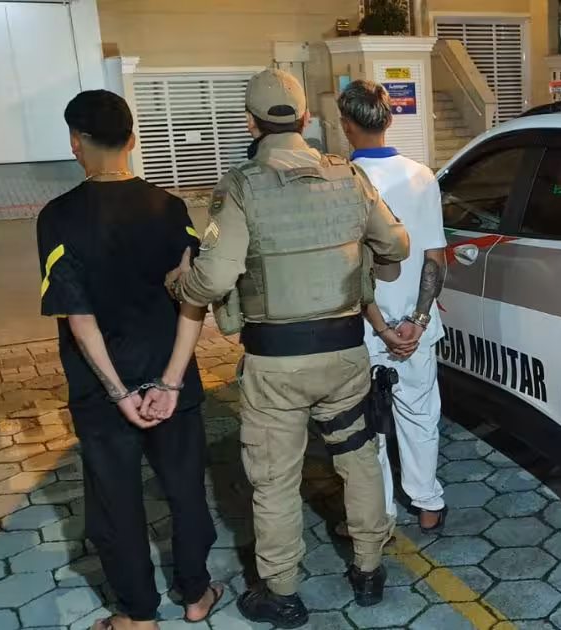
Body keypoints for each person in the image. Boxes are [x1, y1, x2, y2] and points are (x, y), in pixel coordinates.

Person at [165, 68, 410, 628]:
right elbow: (395, 244)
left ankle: (282, 593)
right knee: (358, 459)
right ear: (305, 117)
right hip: (345, 353)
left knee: (275, 478)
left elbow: (214, 278)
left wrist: (179, 285)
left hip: (276, 363)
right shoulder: (348, 175)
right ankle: (369, 571)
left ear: (250, 123)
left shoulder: (241, 186)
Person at [35, 90, 222, 630]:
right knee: (186, 491)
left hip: (101, 391)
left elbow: (79, 317)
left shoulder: (58, 218)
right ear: (133, 139)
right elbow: (194, 301)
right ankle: (196, 595)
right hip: (172, 380)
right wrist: (171, 381)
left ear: (76, 142)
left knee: (116, 503)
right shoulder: (172, 209)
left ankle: (138, 616)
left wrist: (118, 393)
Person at [337, 79, 448, 533]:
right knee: (419, 413)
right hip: (415, 326)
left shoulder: (342, 180)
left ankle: (378, 514)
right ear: (388, 120)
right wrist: (417, 321)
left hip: (363, 327)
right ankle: (428, 503)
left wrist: (382, 328)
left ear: (347, 125)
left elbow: (351, 268)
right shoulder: (422, 176)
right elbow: (435, 257)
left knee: (369, 425)